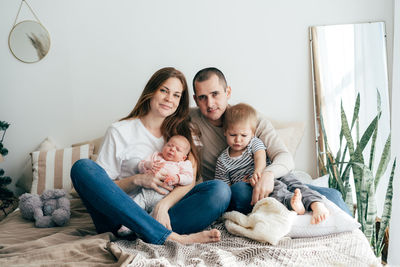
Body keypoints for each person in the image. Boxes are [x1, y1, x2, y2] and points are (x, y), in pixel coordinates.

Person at [71, 67, 231, 245]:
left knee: (220, 190)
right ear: (151, 91)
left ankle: (150, 233)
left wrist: (163, 206)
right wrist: (138, 180)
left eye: (176, 95)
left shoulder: (184, 132)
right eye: (164, 90)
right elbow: (102, 189)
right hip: (120, 221)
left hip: (164, 216)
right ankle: (171, 237)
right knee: (82, 168)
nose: (169, 99)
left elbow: (189, 180)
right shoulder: (120, 131)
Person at [190, 67, 351, 215]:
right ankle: (291, 210)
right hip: (238, 191)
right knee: (239, 191)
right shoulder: (189, 121)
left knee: (333, 195)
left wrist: (267, 174)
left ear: (228, 92)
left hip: (271, 180)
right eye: (203, 98)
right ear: (196, 100)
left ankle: (308, 212)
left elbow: (284, 157)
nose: (210, 103)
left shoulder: (251, 119)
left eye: (215, 94)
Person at [215, 103, 329, 224]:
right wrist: (240, 183)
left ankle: (316, 204)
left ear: (252, 134)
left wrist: (258, 172)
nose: (238, 140)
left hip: (271, 174)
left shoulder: (253, 143)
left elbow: (260, 156)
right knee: (276, 192)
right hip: (253, 186)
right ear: (225, 132)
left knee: (295, 184)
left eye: (244, 135)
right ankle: (292, 203)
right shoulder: (222, 161)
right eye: (233, 135)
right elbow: (224, 189)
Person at [118, 135, 194, 236]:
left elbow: (189, 178)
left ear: (183, 157)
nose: (172, 149)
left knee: (153, 217)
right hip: (145, 193)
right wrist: (148, 165)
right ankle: (126, 226)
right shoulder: (156, 156)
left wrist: (178, 178)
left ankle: (142, 232)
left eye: (178, 149)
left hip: (163, 197)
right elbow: (140, 167)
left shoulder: (183, 164)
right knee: (134, 206)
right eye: (169, 145)